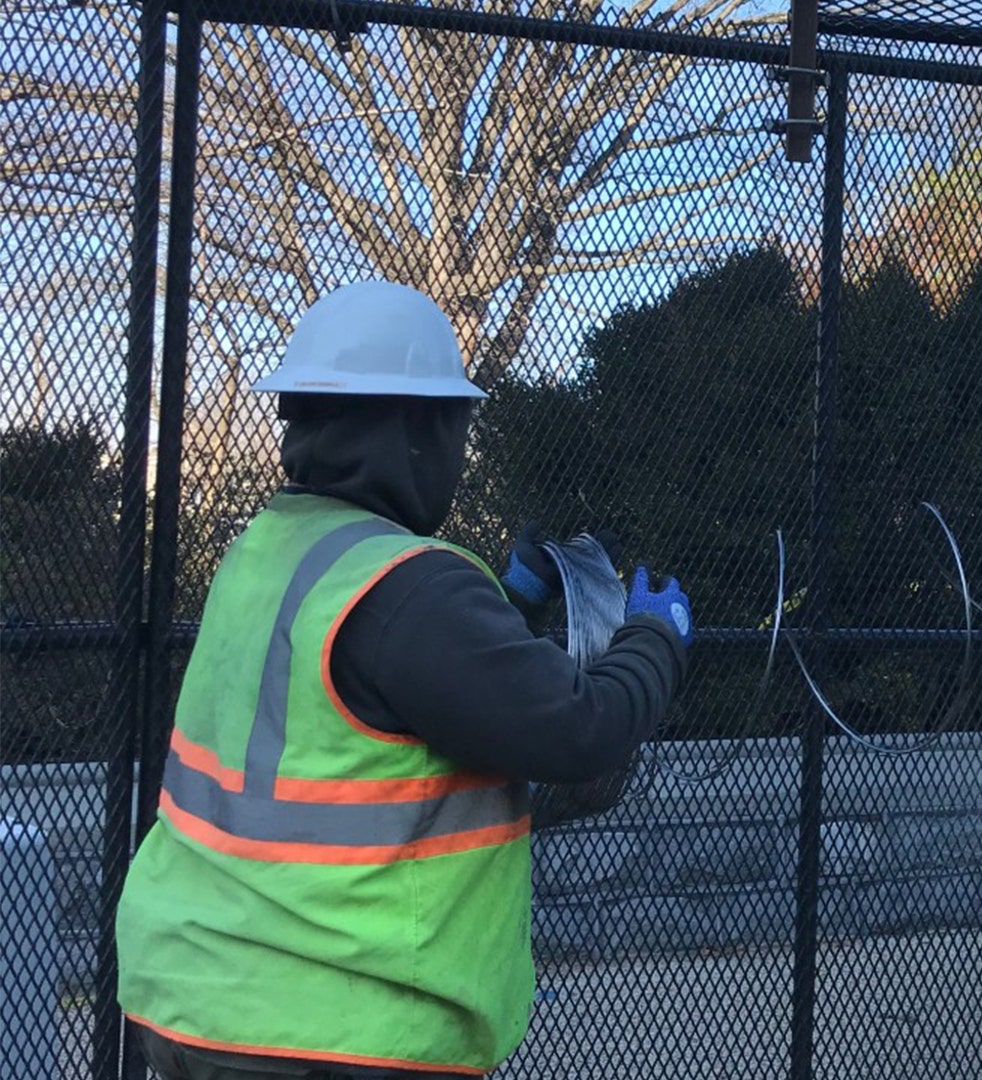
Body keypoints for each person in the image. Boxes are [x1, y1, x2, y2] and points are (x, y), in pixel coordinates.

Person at [115, 280, 696, 1078]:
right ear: (417, 428)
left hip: (194, 992)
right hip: (326, 1027)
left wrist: (504, 610)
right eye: (458, 428)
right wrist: (656, 638)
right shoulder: (409, 587)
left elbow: (374, 717)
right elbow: (579, 730)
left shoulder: (274, 548)